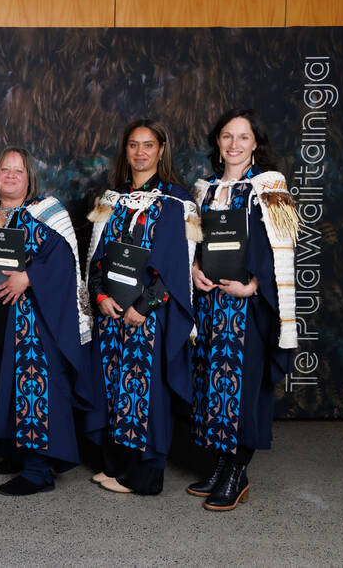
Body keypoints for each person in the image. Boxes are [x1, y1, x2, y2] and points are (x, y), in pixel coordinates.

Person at [0, 148, 94, 496]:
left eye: (17, 171)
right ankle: (16, 453)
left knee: (33, 391)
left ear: (29, 177)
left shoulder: (48, 213)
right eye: (3, 169)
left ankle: (38, 470)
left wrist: (30, 277)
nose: (9, 175)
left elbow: (67, 262)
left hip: (31, 325)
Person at [188, 109, 298, 511]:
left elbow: (283, 248)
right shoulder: (205, 191)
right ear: (218, 143)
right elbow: (196, 244)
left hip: (247, 307)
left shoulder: (271, 189)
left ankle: (238, 473)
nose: (234, 145)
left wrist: (253, 286)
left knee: (243, 389)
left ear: (256, 144)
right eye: (227, 137)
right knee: (212, 386)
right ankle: (220, 465)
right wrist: (194, 268)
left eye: (243, 137)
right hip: (211, 304)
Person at [86, 118, 200, 496]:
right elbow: (97, 259)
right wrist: (100, 296)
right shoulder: (112, 199)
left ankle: (145, 477)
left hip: (149, 315)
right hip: (112, 314)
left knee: (143, 392)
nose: (139, 152)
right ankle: (118, 468)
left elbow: (179, 266)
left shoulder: (176, 202)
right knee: (115, 389)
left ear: (161, 150)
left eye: (148, 145)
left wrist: (145, 306)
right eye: (133, 145)